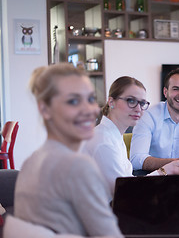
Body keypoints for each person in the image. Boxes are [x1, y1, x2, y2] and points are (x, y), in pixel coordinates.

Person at [14, 63, 122, 237]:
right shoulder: (77, 166)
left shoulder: (31, 161)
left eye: (91, 99)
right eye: (73, 101)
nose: (90, 110)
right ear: (44, 109)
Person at [83, 76, 179, 198]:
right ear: (111, 102)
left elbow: (128, 183)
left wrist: (168, 169)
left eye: (142, 103)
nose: (138, 109)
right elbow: (126, 193)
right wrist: (165, 171)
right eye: (131, 101)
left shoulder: (112, 136)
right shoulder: (103, 141)